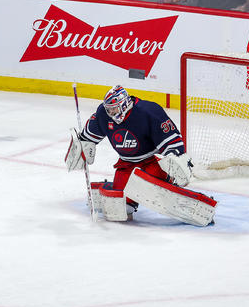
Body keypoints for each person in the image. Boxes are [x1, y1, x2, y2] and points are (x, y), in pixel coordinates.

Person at [64, 86, 216, 226]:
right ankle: (130, 193)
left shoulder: (148, 112)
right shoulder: (104, 114)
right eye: (109, 109)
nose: (111, 113)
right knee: (119, 208)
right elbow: (87, 137)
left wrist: (177, 160)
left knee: (146, 184)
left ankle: (167, 181)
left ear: (124, 104)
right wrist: (81, 146)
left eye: (114, 109)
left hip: (150, 162)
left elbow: (171, 140)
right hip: (126, 164)